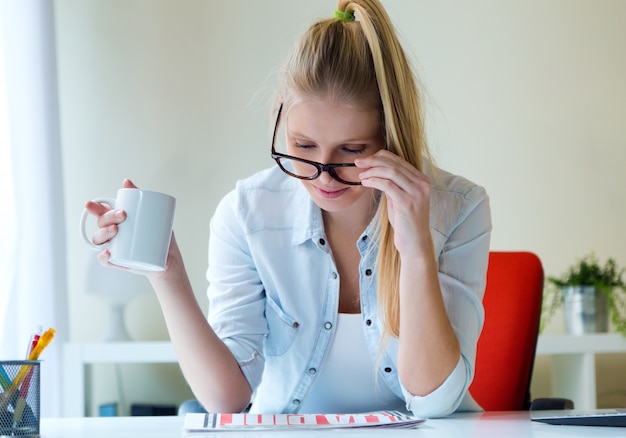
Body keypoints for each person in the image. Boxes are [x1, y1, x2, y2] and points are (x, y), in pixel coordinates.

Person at [85, 0, 491, 418]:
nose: (323, 177)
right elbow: (227, 400)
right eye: (303, 146)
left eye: (351, 152)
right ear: (281, 114)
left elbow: (435, 401)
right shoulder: (248, 215)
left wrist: (417, 247)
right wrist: (167, 274)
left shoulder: (458, 208)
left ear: (392, 135)